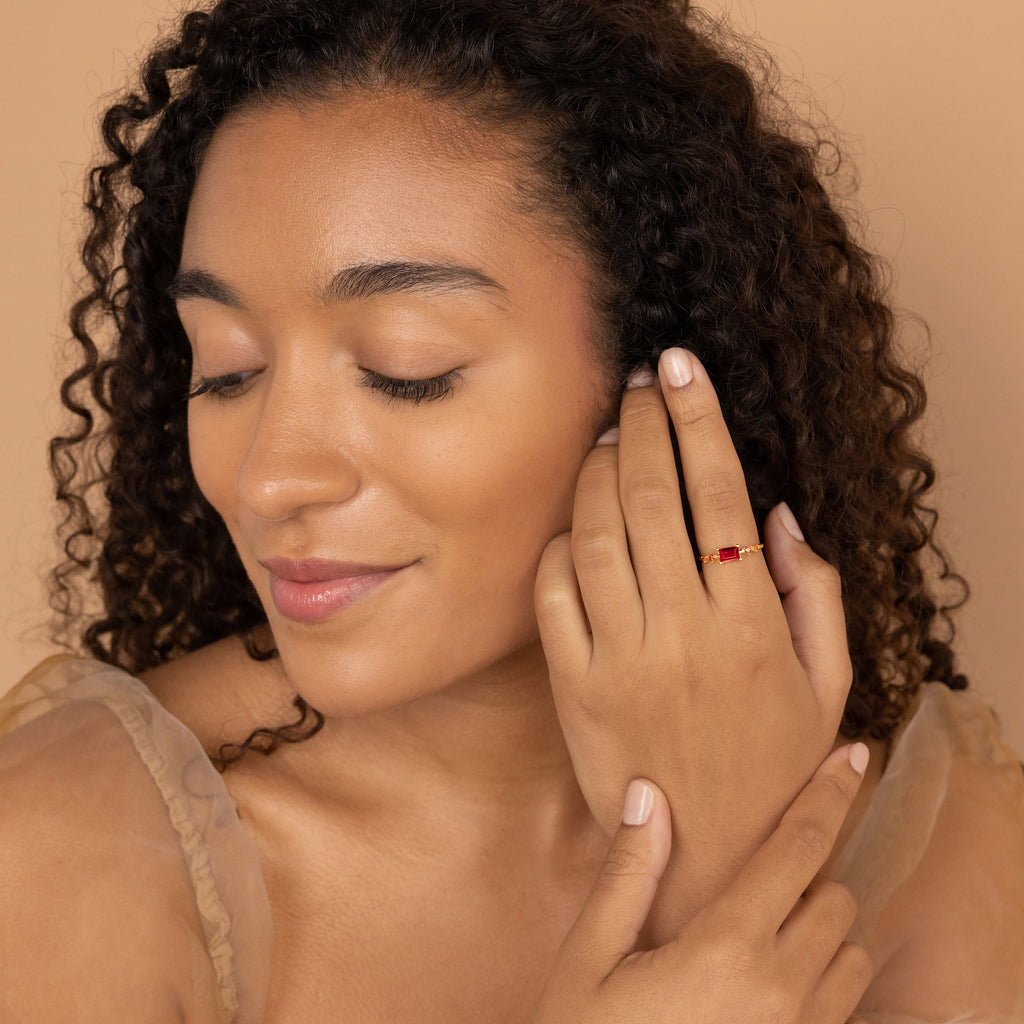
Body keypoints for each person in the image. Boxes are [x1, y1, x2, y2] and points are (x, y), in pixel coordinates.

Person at [1, 0, 1022, 1020]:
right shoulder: (74, 840)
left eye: (406, 372)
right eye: (225, 370)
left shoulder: (944, 853)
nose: (269, 477)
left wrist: (724, 880)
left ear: (660, 380)